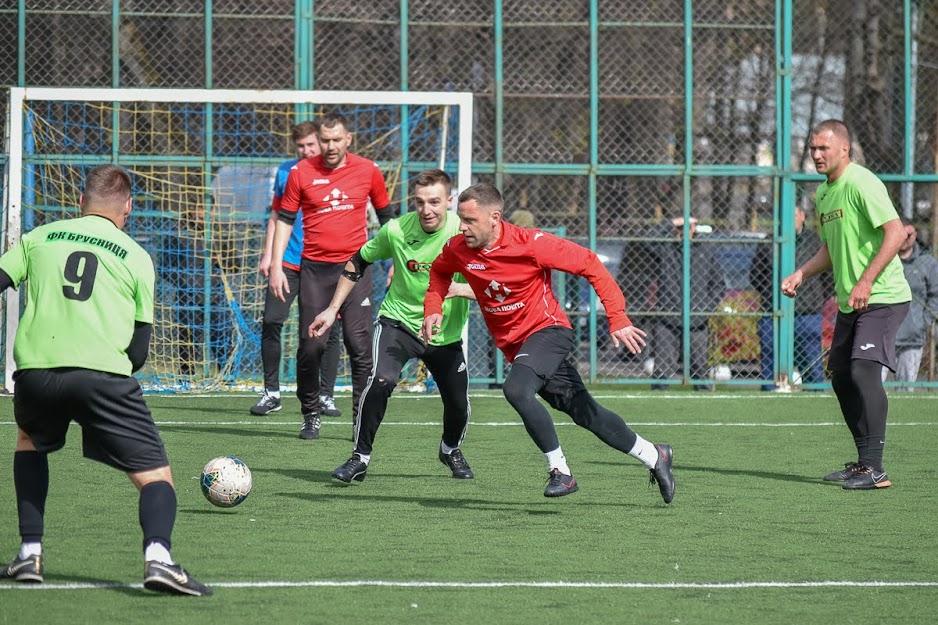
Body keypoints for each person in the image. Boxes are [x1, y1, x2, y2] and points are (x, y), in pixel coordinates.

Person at [0, 165, 211, 595]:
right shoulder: (135, 255)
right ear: (128, 207)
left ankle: (29, 553)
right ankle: (159, 560)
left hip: (37, 371)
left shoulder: (39, 237)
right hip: (103, 376)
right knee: (156, 479)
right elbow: (138, 350)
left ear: (80, 202)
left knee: (29, 442)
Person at [422, 183, 675, 503]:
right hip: (517, 346)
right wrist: (432, 309)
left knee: (516, 389)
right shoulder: (459, 248)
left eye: (470, 220)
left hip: (549, 331)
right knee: (585, 412)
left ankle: (561, 472)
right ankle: (655, 455)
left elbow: (589, 263)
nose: (462, 226)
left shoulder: (531, 243)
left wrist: (618, 317)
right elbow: (439, 273)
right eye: (460, 218)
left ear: (495, 217)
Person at [310, 169, 475, 482]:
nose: (427, 210)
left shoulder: (465, 232)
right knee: (381, 380)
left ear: (449, 201)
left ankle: (450, 448)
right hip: (398, 323)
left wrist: (459, 290)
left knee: (458, 403)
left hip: (445, 333)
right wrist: (332, 309)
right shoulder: (396, 230)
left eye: (435, 202)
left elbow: (489, 278)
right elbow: (357, 261)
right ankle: (359, 457)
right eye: (420, 202)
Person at [781, 119, 911, 490]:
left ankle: (875, 468)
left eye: (823, 148)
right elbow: (829, 247)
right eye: (812, 149)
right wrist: (801, 273)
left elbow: (896, 232)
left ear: (844, 149)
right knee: (840, 377)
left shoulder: (862, 182)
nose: (816, 155)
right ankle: (863, 464)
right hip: (851, 301)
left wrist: (867, 281)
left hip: (883, 296)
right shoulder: (824, 194)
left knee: (862, 372)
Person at [269, 112, 395, 439]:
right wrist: (276, 264)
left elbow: (388, 219)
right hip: (315, 272)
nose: (330, 146)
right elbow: (284, 219)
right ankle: (310, 412)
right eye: (325, 140)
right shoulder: (300, 172)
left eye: (336, 139)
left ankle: (359, 417)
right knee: (312, 346)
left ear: (348, 139)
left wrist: (396, 260)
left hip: (356, 270)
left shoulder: (368, 171)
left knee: (359, 345)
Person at [250, 120, 343, 418]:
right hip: (288, 263)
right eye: (300, 146)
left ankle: (326, 395)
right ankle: (272, 393)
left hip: (322, 265)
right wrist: (269, 257)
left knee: (327, 329)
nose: (306, 151)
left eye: (310, 146)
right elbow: (277, 215)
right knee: (271, 322)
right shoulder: (286, 172)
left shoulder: (335, 174)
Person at [751, 205, 833, 390]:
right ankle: (769, 399)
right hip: (774, 312)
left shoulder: (816, 242)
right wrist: (772, 296)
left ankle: (815, 398)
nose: (789, 219)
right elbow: (756, 275)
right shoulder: (770, 241)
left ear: (802, 216)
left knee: (811, 363)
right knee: (770, 362)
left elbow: (829, 277)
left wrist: (816, 298)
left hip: (807, 313)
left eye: (794, 215)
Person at [644, 215, 723, 390]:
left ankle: (703, 403)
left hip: (697, 319)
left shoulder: (705, 249)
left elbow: (718, 285)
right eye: (681, 227)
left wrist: (705, 309)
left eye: (688, 227)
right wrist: (670, 223)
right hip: (668, 317)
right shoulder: (666, 247)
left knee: (700, 369)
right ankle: (659, 403)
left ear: (695, 228)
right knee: (662, 371)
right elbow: (647, 240)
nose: (684, 231)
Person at [882, 216, 938, 391]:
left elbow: (935, 295)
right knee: (874, 388)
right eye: (901, 234)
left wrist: (923, 322)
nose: (906, 239)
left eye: (909, 234)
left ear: (915, 234)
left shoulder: (927, 263)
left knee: (905, 389)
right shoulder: (882, 260)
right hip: (881, 335)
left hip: (912, 338)